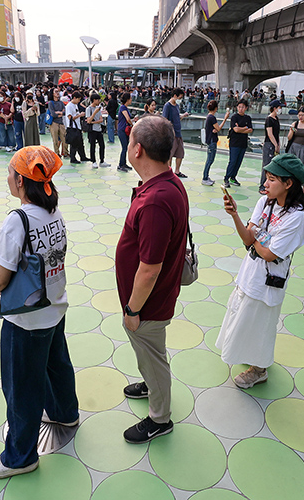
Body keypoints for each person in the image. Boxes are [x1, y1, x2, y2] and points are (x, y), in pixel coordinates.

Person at [0, 146, 78, 478]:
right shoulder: (54, 212)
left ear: (21, 181)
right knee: (56, 364)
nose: (8, 177)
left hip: (26, 317)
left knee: (21, 387)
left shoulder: (18, 220)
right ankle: (66, 412)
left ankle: (21, 457)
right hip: (55, 305)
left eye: (10, 172)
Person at [115, 115, 189, 443]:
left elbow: (149, 268)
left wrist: (132, 311)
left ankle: (160, 419)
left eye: (130, 141)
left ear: (138, 150)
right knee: (150, 352)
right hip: (153, 298)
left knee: (152, 353)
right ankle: (150, 384)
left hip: (148, 304)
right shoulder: (167, 183)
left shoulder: (157, 200)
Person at [218, 154, 304, 388]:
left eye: (272, 179)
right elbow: (248, 238)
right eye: (266, 178)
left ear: (288, 183)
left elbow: (270, 254)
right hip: (251, 271)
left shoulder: (296, 216)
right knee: (242, 315)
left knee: (261, 324)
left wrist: (255, 237)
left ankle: (259, 369)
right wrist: (235, 215)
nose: (265, 184)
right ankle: (249, 357)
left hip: (269, 279)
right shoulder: (265, 202)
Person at [162, 89, 191, 178]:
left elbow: (176, 118)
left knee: (180, 153)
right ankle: (168, 171)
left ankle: (177, 171)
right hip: (172, 134)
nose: (180, 99)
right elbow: (164, 120)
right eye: (180, 97)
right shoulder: (167, 106)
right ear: (175, 95)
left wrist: (183, 115)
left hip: (178, 133)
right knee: (170, 154)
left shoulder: (176, 106)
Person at [224, 99, 253, 187]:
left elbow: (250, 130)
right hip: (234, 143)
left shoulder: (248, 118)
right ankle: (226, 178)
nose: (241, 109)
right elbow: (235, 130)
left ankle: (233, 177)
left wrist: (241, 128)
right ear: (237, 107)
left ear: (246, 108)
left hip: (243, 143)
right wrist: (245, 128)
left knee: (238, 162)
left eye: (243, 107)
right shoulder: (234, 117)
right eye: (239, 107)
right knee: (232, 161)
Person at [285, 106, 304, 185]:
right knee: (290, 167)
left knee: (302, 168)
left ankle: (303, 187)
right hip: (293, 147)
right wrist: (292, 130)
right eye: (299, 115)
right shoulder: (295, 123)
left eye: (302, 115)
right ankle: (289, 184)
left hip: (303, 147)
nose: (300, 117)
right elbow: (289, 138)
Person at [260, 100, 282, 193]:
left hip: (275, 143)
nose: (280, 109)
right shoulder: (269, 119)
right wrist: (275, 144)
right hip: (269, 144)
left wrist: (278, 144)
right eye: (279, 107)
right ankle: (262, 185)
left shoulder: (276, 119)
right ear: (274, 108)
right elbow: (270, 134)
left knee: (273, 165)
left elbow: (277, 133)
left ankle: (269, 185)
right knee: (267, 165)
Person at [201, 100, 223, 186]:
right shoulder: (212, 118)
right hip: (212, 141)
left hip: (210, 140)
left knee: (210, 159)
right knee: (210, 160)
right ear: (216, 108)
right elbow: (218, 128)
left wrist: (215, 130)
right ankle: (205, 178)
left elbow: (214, 129)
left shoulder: (209, 117)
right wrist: (225, 119)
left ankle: (206, 176)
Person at [85, 93, 108, 168]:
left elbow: (101, 120)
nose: (99, 101)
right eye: (98, 100)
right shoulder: (89, 109)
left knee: (102, 145)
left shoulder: (98, 108)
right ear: (94, 100)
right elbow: (88, 120)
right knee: (92, 146)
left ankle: (102, 160)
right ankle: (93, 161)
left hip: (99, 129)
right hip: (92, 130)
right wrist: (94, 113)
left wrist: (93, 122)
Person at [64, 92, 88, 164]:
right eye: (78, 99)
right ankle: (73, 158)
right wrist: (79, 115)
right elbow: (70, 117)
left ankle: (83, 157)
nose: (79, 101)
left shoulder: (75, 105)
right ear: (74, 98)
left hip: (77, 127)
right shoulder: (69, 106)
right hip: (72, 127)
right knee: (74, 144)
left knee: (80, 143)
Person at [116, 92, 133, 172]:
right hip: (122, 129)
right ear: (127, 99)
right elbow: (128, 119)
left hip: (125, 130)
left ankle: (124, 163)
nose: (131, 100)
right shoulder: (123, 107)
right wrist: (132, 124)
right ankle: (120, 165)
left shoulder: (125, 107)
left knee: (125, 147)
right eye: (130, 98)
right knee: (124, 147)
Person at [47, 89, 67, 157]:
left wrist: (59, 113)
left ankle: (65, 152)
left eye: (57, 91)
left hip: (61, 123)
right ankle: (57, 153)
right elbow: (52, 114)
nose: (57, 93)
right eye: (55, 91)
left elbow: (65, 112)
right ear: (52, 94)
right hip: (53, 123)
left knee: (65, 138)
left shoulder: (61, 102)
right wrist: (60, 113)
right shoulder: (50, 103)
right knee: (55, 139)